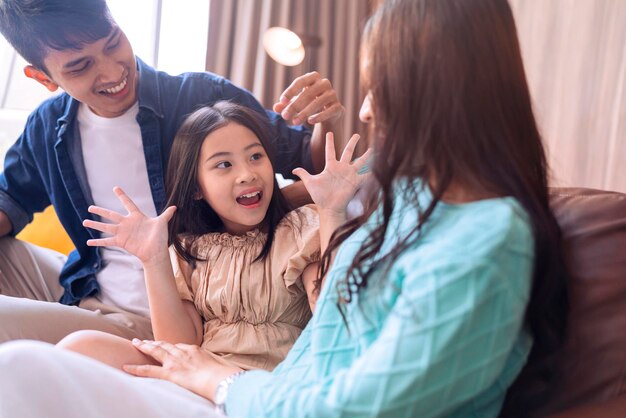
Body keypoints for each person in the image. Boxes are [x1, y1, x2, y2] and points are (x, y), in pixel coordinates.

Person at [0, 0, 568, 417]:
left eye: (378, 89)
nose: (366, 112)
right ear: (42, 77)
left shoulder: (484, 240)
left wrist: (221, 379)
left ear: (440, 93)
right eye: (79, 66)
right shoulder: (411, 199)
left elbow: (304, 163)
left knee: (23, 365)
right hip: (148, 321)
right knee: (50, 346)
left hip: (226, 365)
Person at [0, 0, 344, 344]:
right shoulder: (47, 125)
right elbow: (11, 197)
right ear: (43, 77)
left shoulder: (202, 96)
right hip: (84, 284)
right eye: (81, 66)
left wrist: (323, 117)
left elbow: (313, 167)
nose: (112, 72)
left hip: (153, 314)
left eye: (112, 42)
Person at [55, 101, 339, 372]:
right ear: (196, 189)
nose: (247, 174)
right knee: (78, 346)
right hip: (198, 374)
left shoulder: (301, 230)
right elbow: (177, 347)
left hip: (261, 385)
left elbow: (334, 316)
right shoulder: (190, 249)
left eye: (256, 156)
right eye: (224, 165)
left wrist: (332, 211)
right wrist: (153, 260)